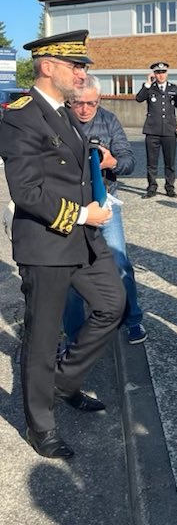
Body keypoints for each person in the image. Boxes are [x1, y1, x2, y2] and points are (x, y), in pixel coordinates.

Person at [0, 29, 125, 459]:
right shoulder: (20, 115)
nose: (82, 72)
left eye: (83, 65)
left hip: (84, 241)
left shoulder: (66, 112)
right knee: (42, 336)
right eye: (75, 65)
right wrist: (83, 213)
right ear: (48, 66)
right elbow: (27, 192)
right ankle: (40, 426)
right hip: (48, 242)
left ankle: (65, 382)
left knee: (113, 304)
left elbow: (72, 167)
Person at [63, 75, 147, 345]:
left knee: (120, 262)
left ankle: (133, 319)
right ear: (69, 100)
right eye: (78, 103)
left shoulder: (108, 120)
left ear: (100, 101)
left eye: (92, 103)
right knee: (71, 269)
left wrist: (111, 162)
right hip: (72, 206)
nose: (85, 109)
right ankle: (74, 333)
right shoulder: (60, 120)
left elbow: (129, 161)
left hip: (105, 200)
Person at [135, 62, 177, 199]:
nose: (161, 75)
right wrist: (147, 83)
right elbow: (139, 99)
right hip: (152, 130)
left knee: (170, 162)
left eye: (163, 72)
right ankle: (152, 187)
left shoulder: (174, 89)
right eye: (158, 73)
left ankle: (169, 187)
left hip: (169, 130)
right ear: (154, 74)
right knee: (151, 162)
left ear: (167, 73)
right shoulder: (149, 88)